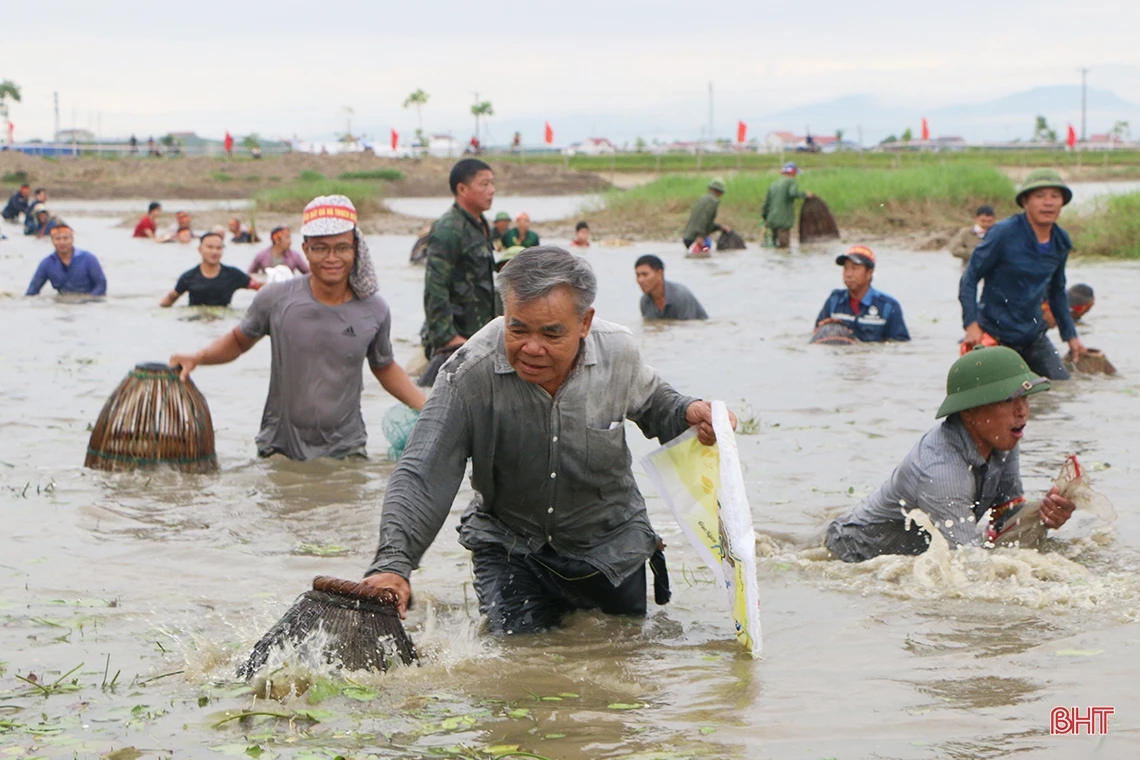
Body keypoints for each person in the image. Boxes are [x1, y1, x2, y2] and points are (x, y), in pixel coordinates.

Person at [361, 247, 736, 632]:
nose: (532, 348)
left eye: (551, 333)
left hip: (610, 547)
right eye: (518, 329)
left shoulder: (617, 352)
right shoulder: (470, 371)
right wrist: (393, 564)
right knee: (519, 666)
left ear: (585, 322)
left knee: (622, 654)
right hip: (512, 548)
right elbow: (424, 469)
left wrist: (689, 413)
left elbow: (657, 402)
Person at [169, 195, 426, 460]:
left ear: (355, 249)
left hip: (347, 449)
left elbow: (384, 366)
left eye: (341, 248)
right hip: (279, 448)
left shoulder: (374, 309)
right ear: (305, 249)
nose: (332, 258)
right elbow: (237, 341)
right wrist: (198, 357)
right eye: (320, 248)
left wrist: (428, 408)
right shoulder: (275, 299)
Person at [826, 346, 1074, 562]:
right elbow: (968, 562)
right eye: (1009, 399)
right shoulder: (941, 472)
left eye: (1025, 398)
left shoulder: (1004, 438)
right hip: (853, 555)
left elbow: (1004, 516)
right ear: (969, 412)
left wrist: (1044, 514)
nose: (1022, 411)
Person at [959, 168, 1086, 380]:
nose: (1048, 202)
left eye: (1055, 196)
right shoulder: (1003, 233)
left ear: (1062, 203)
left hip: (1032, 335)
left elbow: (1056, 291)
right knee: (1000, 399)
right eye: (1040, 196)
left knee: (1061, 387)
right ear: (1025, 202)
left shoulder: (1060, 241)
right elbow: (969, 277)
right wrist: (971, 325)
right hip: (994, 333)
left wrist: (1071, 337)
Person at [419, 158, 497, 386]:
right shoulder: (448, 229)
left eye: (492, 184)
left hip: (478, 333)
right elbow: (435, 285)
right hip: (458, 336)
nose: (491, 191)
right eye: (484, 184)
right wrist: (448, 337)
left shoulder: (481, 224)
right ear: (462, 189)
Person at [814, 245, 910, 342]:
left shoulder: (888, 306)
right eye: (846, 268)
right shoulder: (834, 301)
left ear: (869, 273)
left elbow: (899, 345)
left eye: (854, 268)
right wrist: (826, 328)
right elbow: (816, 336)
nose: (848, 274)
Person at [159, 232, 257, 307]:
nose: (214, 252)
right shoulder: (188, 277)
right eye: (209, 247)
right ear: (200, 249)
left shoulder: (233, 274)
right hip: (194, 323)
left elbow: (257, 287)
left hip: (223, 322)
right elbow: (170, 298)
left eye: (219, 248)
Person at [25, 225, 107, 296]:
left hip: (87, 301)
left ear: (72, 239)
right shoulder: (47, 263)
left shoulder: (88, 258)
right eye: (58, 239)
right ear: (52, 241)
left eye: (66, 238)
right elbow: (32, 290)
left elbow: (101, 285)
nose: (62, 242)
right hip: (62, 301)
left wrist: (90, 300)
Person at [635, 254, 708, 320]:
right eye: (638, 275)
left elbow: (689, 328)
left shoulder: (681, 295)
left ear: (660, 273)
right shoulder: (645, 301)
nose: (640, 280)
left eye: (645, 274)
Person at [762, 163, 814, 248]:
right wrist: (805, 195)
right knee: (784, 247)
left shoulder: (773, 184)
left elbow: (766, 204)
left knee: (773, 245)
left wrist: (765, 218)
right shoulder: (791, 181)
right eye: (796, 173)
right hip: (783, 221)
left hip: (771, 220)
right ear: (792, 173)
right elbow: (792, 193)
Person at [681, 178, 730, 254]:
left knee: (701, 256)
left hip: (688, 237)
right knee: (705, 252)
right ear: (720, 192)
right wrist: (700, 236)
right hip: (696, 239)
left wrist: (719, 227)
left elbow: (704, 221)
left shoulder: (702, 199)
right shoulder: (713, 201)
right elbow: (704, 219)